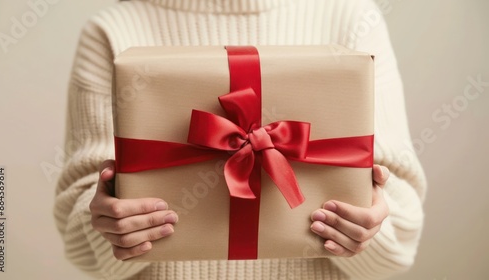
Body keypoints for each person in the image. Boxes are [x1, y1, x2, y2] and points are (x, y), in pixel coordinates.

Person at [54, 0, 427, 279]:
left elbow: (402, 234)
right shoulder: (112, 29)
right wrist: (109, 228)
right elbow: (80, 237)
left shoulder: (352, 19)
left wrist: (369, 231)